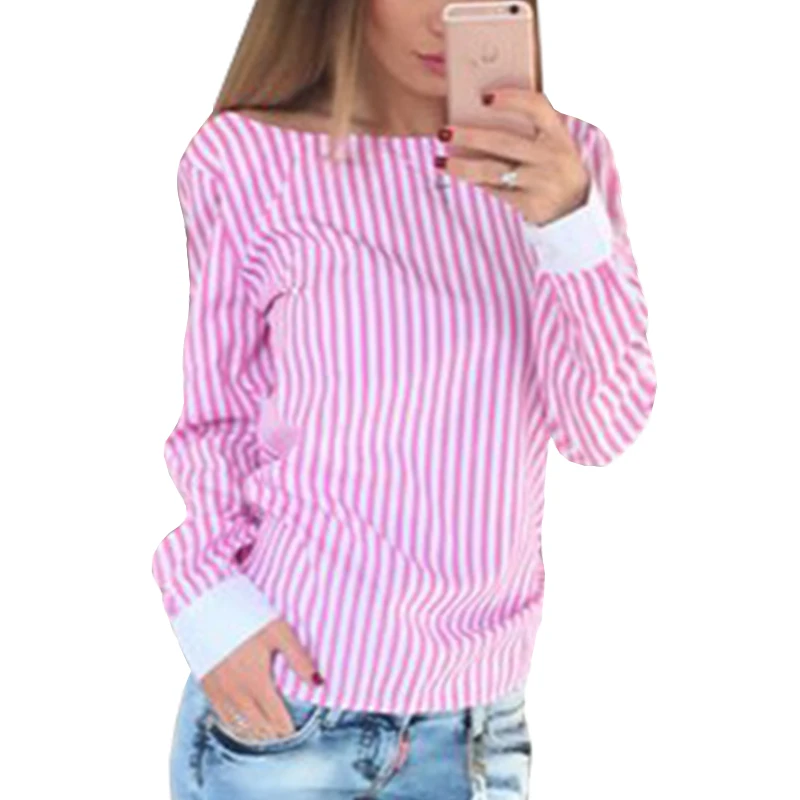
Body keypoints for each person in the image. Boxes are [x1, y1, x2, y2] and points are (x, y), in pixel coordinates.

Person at [153, 1, 657, 797]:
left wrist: (566, 221)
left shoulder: (569, 164)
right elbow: (218, 419)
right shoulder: (249, 158)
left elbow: (602, 429)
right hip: (290, 710)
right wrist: (210, 610)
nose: (445, 17)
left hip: (481, 725)